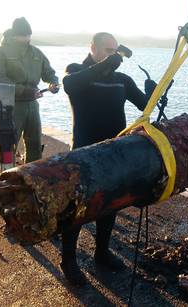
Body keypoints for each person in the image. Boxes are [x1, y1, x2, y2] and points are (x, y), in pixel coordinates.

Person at [60, 32, 157, 285]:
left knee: (111, 203)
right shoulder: (76, 71)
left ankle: (102, 252)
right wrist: (105, 64)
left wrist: (155, 93)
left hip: (114, 153)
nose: (112, 55)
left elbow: (145, 107)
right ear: (92, 47)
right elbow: (70, 86)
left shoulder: (122, 80)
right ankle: (68, 260)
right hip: (83, 151)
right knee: (78, 209)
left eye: (115, 51)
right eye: (106, 49)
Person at [0, 17, 59, 163]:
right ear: (14, 35)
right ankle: (5, 176)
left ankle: (32, 175)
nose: (26, 38)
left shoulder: (36, 52)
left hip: (32, 105)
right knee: (8, 143)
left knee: (34, 142)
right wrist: (24, 91)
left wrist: (54, 83)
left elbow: (49, 73)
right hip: (11, 105)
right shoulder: (2, 52)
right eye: (23, 35)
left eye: (28, 35)